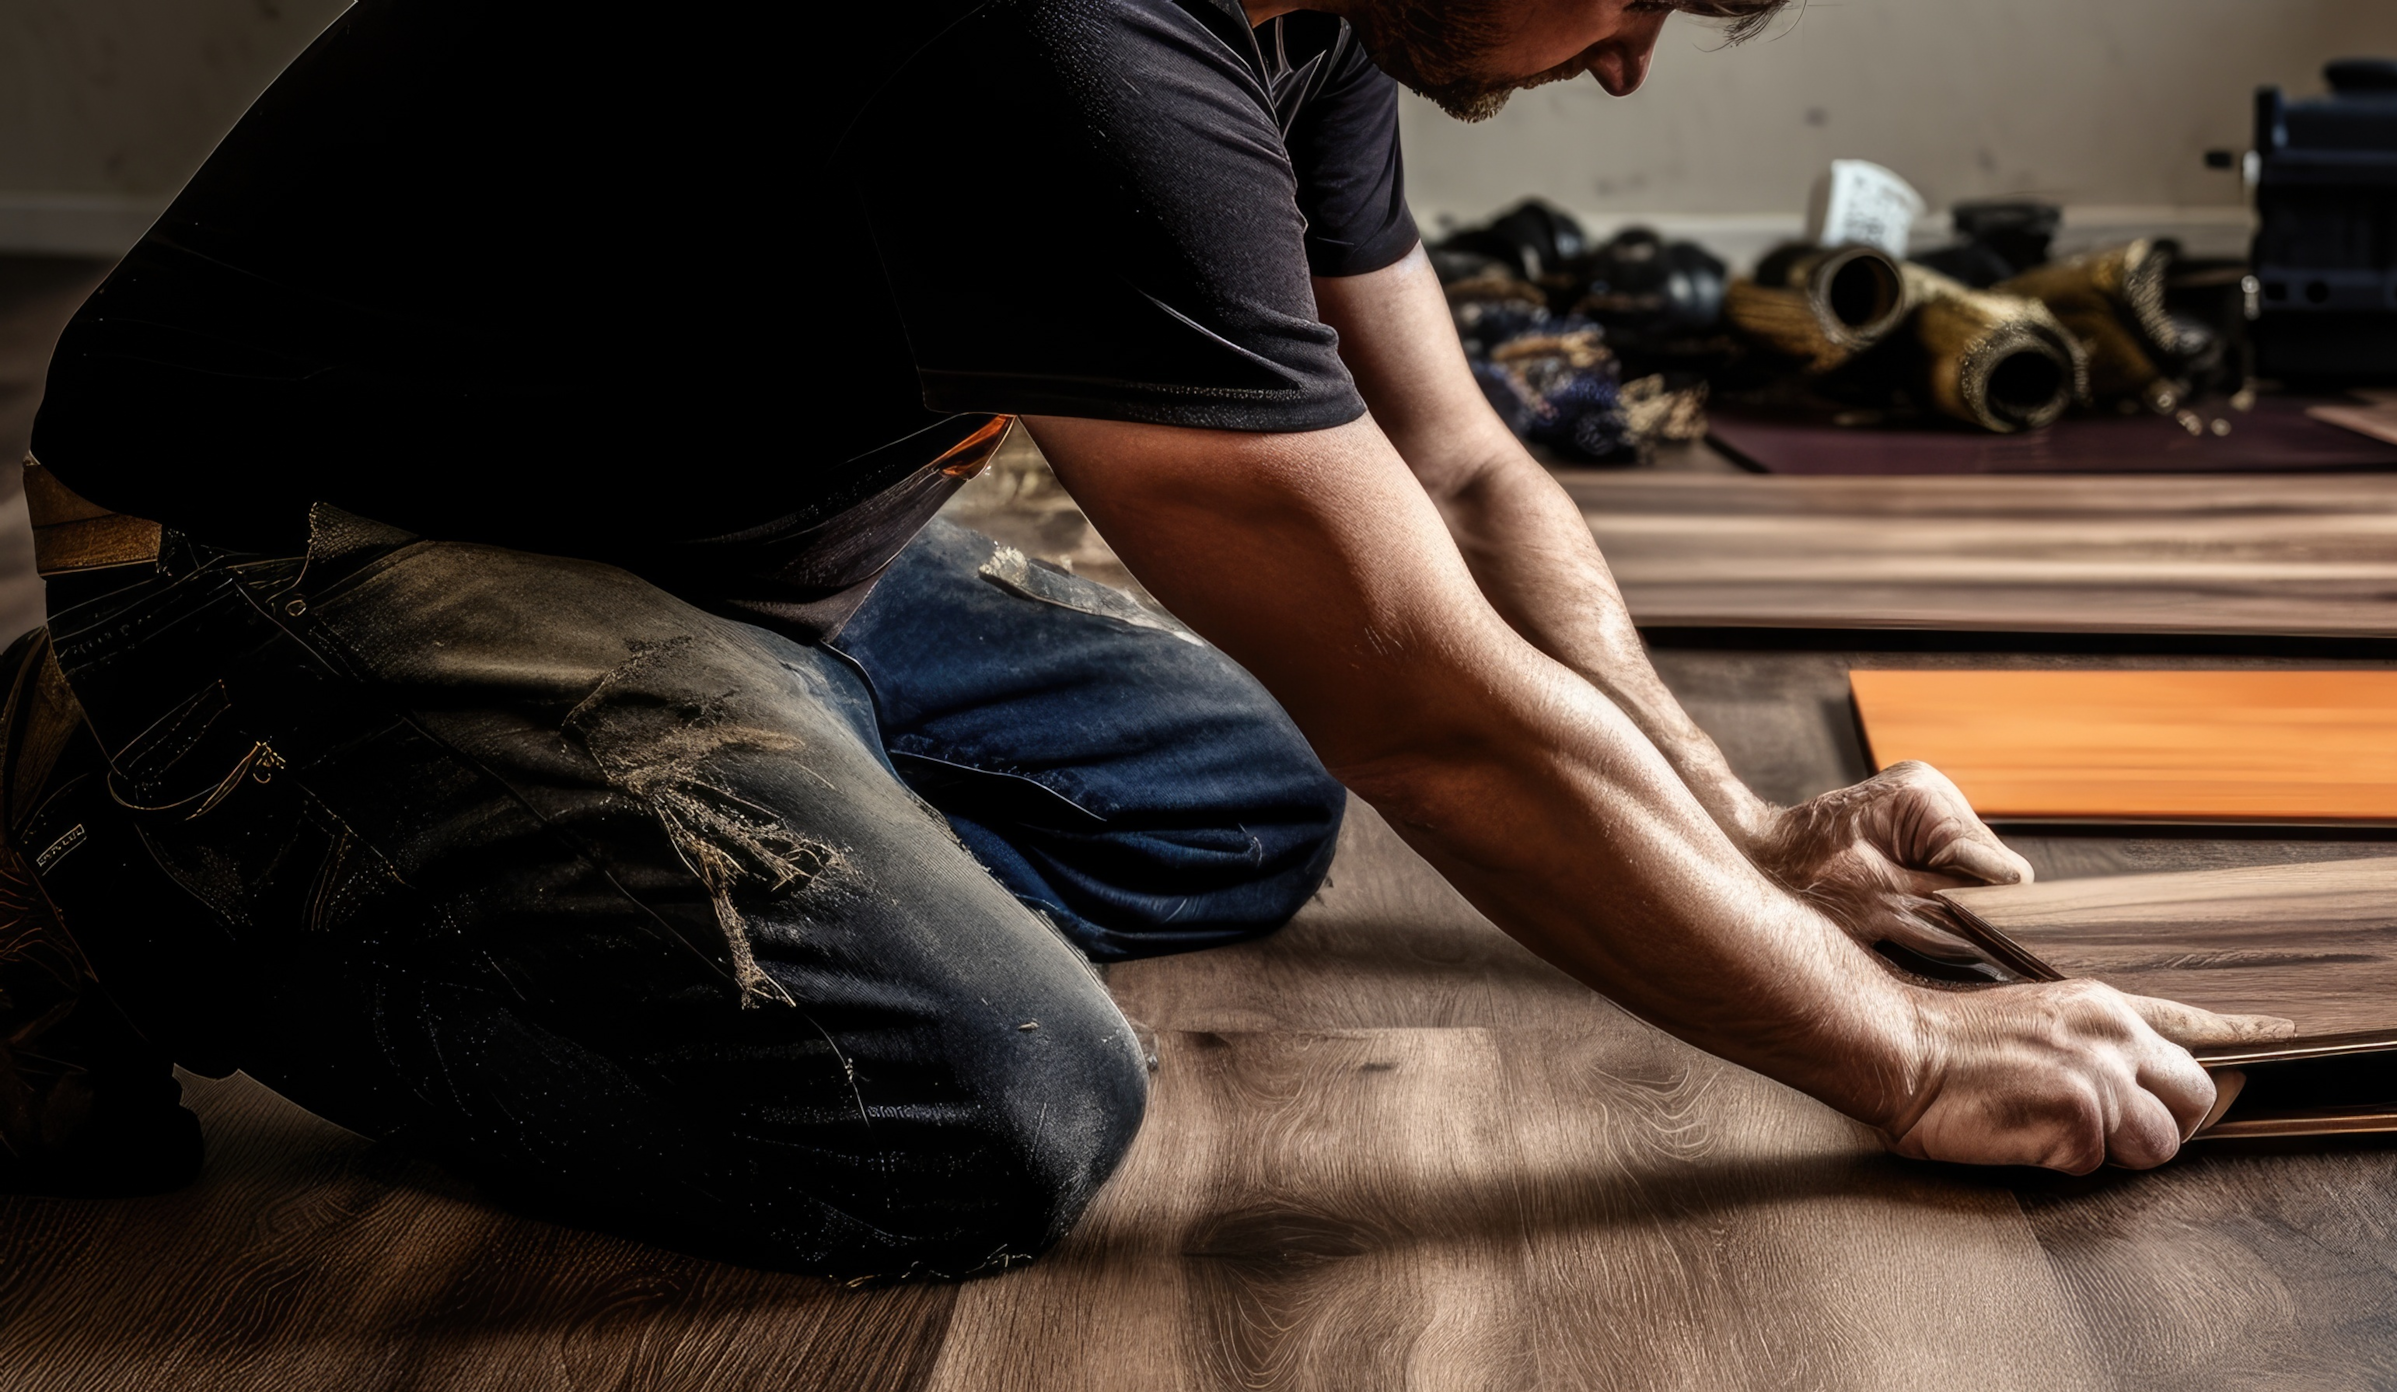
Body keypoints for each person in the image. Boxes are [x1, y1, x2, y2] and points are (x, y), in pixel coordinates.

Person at [0, 0, 2275, 1277]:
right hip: (292, 544)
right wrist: (1892, 1054)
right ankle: (141, 854)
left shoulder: (1301, 27)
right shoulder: (1053, 37)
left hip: (697, 547)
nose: (1625, 71)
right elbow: (1420, 693)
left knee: (1231, 787)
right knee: (981, 1106)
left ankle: (610, 783)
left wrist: (1743, 832)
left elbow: (1463, 478)